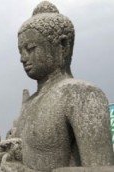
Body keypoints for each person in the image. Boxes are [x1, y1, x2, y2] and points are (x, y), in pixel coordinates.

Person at [9, 1, 114, 171]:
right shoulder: (28, 104)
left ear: (62, 46)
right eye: (20, 51)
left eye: (30, 48)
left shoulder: (82, 94)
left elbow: (102, 168)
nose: (23, 58)